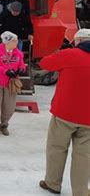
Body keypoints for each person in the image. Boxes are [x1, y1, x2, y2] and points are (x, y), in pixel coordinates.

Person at [38, 29, 90, 196]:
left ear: (77, 41)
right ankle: (81, 191)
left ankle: (52, 183)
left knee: (56, 148)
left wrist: (60, 54)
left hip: (65, 113)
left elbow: (44, 63)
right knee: (84, 155)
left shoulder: (70, 54)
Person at [0, 31, 26, 136]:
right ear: (7, 42)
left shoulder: (17, 52)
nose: (17, 42)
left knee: (9, 106)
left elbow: (22, 63)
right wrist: (5, 71)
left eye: (17, 40)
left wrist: (21, 69)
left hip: (10, 82)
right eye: (14, 40)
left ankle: (4, 125)